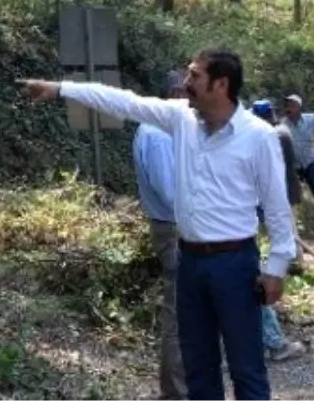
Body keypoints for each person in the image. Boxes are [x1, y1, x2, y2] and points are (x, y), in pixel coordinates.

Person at [20, 50, 296, 401]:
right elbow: (124, 102)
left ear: (221, 84)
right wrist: (60, 88)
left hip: (235, 263)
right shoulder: (179, 120)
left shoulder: (258, 136)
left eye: (195, 76)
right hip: (190, 262)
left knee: (247, 368)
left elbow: (276, 204)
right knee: (198, 367)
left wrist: (277, 267)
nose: (185, 83)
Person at [134, 73, 184, 401]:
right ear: (176, 93)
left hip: (171, 227)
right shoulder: (159, 134)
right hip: (175, 230)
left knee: (183, 312)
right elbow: (171, 193)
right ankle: (178, 392)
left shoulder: (155, 129)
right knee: (180, 314)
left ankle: (179, 389)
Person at [248, 100, 307, 363]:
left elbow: (273, 179)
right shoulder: (262, 135)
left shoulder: (274, 135)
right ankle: (273, 342)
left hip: (275, 203)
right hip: (253, 220)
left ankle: (272, 341)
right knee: (254, 285)